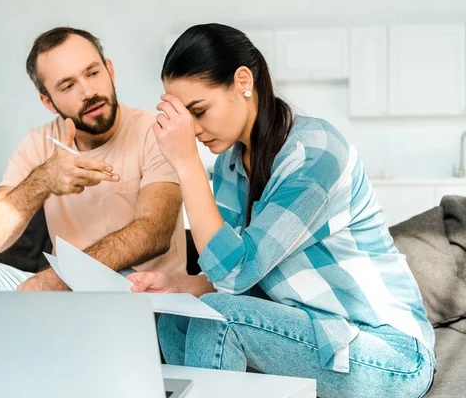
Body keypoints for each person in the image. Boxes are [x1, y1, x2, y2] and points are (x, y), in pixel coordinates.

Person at [127, 23, 435, 398]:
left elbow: (235, 275)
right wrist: (181, 286)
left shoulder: (315, 154)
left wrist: (186, 164)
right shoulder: (230, 163)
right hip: (311, 332)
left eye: (199, 111)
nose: (192, 131)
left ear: (243, 81)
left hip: (386, 352)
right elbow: (236, 270)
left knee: (220, 318)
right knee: (178, 316)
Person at [0, 27, 186, 321]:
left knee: (124, 278)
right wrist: (44, 179)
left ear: (109, 70)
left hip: (136, 293)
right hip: (65, 297)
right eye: (67, 86)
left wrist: (59, 280)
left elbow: (155, 232)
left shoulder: (155, 131)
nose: (89, 92)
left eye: (92, 73)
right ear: (48, 102)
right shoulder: (38, 144)